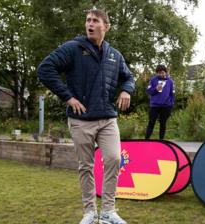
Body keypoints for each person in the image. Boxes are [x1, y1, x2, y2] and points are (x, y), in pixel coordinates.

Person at [37, 9, 134, 224]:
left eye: (95, 20)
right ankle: (90, 213)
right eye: (88, 20)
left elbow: (128, 77)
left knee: (114, 159)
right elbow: (45, 69)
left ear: (106, 27)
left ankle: (108, 211)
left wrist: (126, 90)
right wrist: (68, 97)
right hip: (81, 120)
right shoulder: (73, 48)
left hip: (108, 118)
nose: (90, 24)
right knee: (86, 166)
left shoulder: (114, 55)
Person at [144, 64, 175, 140]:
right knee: (151, 123)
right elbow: (149, 91)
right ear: (156, 73)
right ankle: (146, 140)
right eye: (159, 73)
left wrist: (171, 104)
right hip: (154, 106)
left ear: (165, 72)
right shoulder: (153, 80)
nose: (161, 74)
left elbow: (172, 93)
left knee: (163, 124)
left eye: (162, 72)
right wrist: (156, 89)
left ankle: (161, 141)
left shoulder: (170, 81)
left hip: (166, 106)